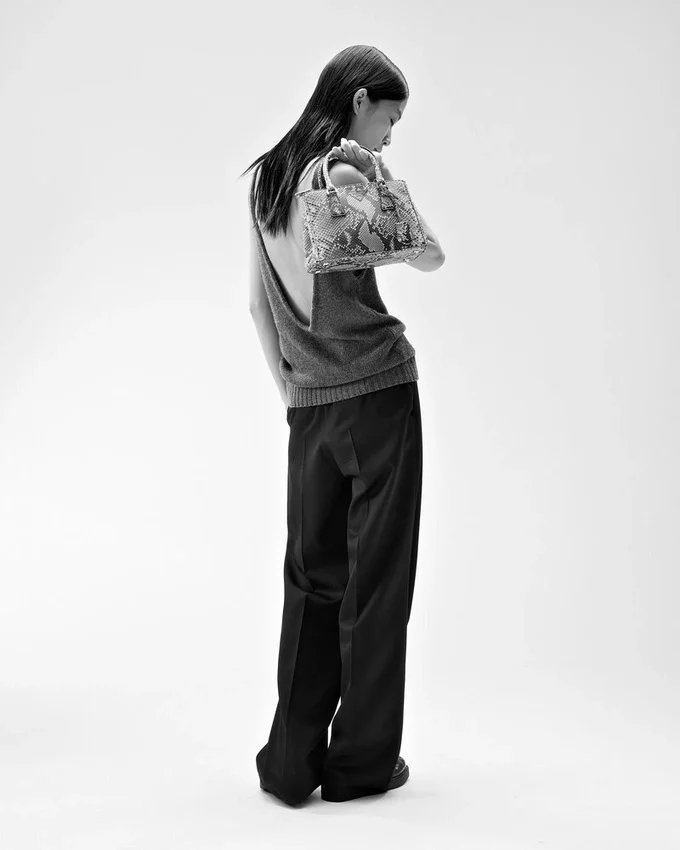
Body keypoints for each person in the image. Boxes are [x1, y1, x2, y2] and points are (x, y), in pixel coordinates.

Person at [239, 44, 445, 806]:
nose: (388, 138)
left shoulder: (266, 178)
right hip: (380, 397)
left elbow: (257, 306)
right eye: (389, 119)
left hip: (310, 409)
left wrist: (294, 396)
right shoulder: (346, 174)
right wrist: (383, 183)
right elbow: (431, 256)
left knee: (311, 580)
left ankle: (291, 764)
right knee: (377, 585)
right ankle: (360, 764)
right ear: (359, 101)